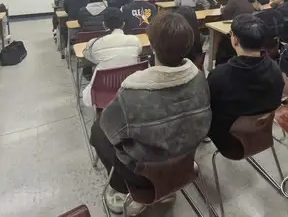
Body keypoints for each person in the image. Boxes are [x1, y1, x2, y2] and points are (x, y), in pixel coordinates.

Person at [89, 12, 211, 215]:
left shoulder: (133, 91)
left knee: (97, 129)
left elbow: (110, 129)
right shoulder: (200, 79)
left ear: (152, 47)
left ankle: (121, 187)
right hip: (186, 163)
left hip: (143, 175)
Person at [207, 14, 284, 152]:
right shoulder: (275, 70)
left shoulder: (219, 75)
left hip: (229, 141)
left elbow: (207, 106)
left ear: (234, 40)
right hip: (262, 135)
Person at [81, 8, 142, 107]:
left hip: (103, 93)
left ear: (104, 25)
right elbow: (138, 52)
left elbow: (89, 57)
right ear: (123, 24)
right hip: (130, 89)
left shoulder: (95, 43)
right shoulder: (135, 40)